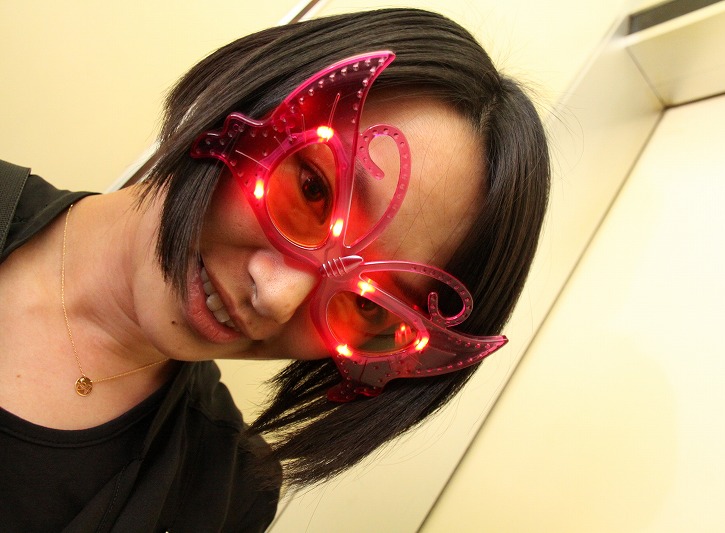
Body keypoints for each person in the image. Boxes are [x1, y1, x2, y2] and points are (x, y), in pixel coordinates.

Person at [0, 7, 549, 532]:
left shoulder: (221, 502)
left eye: (369, 306)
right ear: (254, 98)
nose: (278, 297)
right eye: (313, 190)